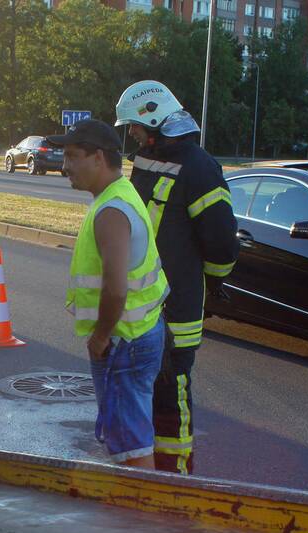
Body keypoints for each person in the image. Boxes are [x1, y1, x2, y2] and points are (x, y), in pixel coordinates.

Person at [115, 80, 239, 475]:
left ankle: (175, 478)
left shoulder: (199, 167)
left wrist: (214, 280)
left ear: (154, 119)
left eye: (135, 125)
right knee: (150, 394)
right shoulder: (155, 159)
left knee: (169, 392)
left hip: (172, 309)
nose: (131, 133)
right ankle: (152, 473)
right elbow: (217, 248)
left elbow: (221, 241)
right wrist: (215, 281)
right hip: (153, 301)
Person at [48, 120, 169, 468]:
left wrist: (100, 337)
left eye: (72, 156)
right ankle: (135, 508)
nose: (65, 166)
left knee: (130, 446)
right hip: (140, 332)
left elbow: (116, 289)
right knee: (131, 434)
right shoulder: (121, 194)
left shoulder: (111, 212)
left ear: (99, 158)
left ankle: (135, 514)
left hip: (123, 342)